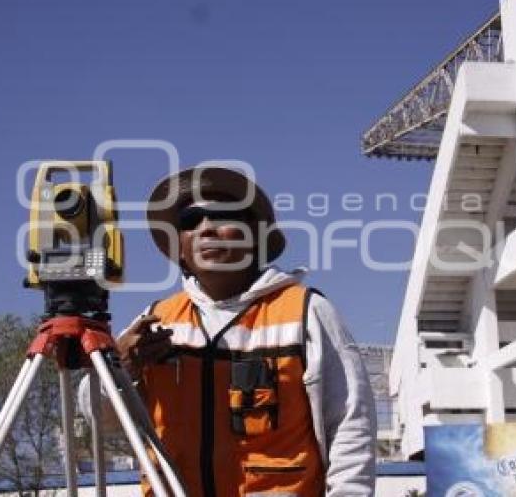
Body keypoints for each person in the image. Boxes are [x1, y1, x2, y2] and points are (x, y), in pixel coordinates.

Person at [79, 166, 376, 497]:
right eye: (190, 222)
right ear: (179, 248)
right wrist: (118, 368)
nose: (206, 229)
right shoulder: (155, 320)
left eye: (223, 216)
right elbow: (100, 422)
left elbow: (351, 426)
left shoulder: (306, 311)